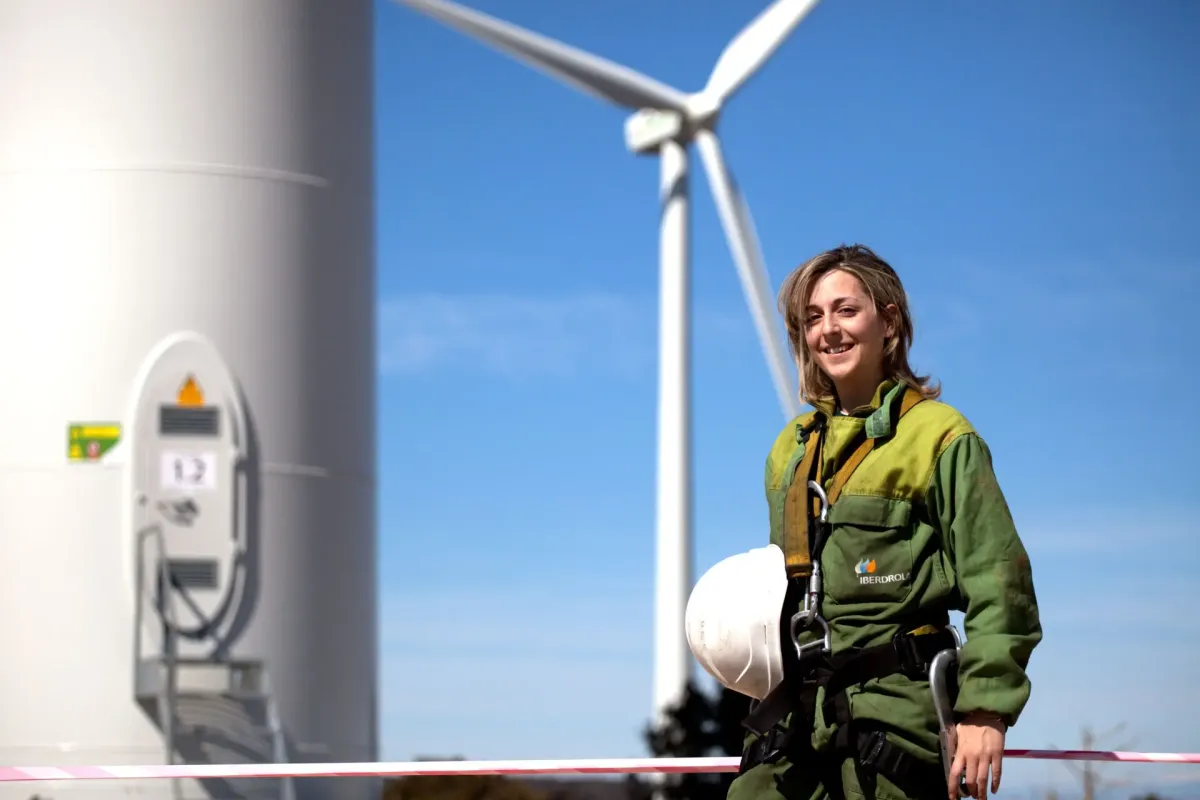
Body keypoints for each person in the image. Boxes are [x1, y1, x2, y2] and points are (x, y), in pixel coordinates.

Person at [723, 244, 1042, 800]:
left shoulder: (940, 437)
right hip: (799, 715)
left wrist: (986, 711)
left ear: (888, 320)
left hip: (895, 718)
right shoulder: (790, 452)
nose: (829, 330)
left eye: (847, 310)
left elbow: (999, 581)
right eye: (813, 318)